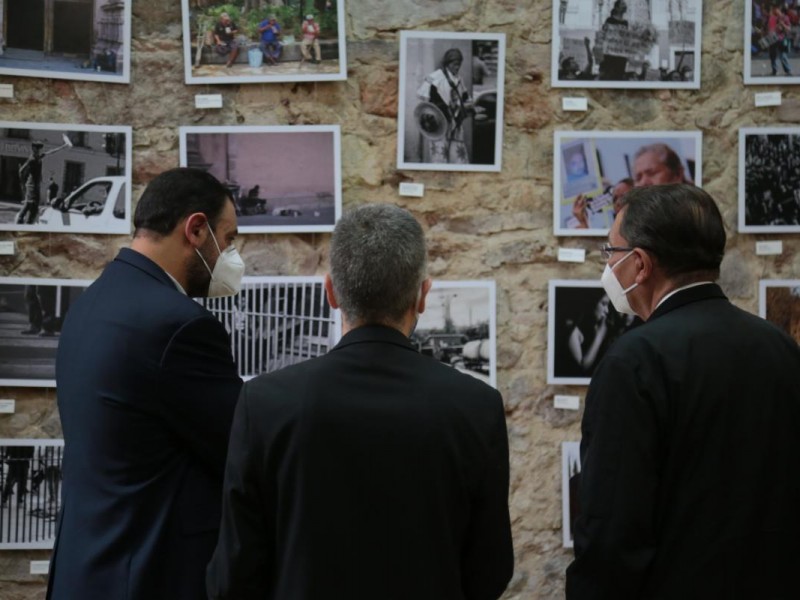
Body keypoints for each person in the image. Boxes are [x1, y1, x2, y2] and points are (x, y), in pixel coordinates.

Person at [207, 203, 514, 600]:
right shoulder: (477, 406)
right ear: (422, 296)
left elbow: (235, 572)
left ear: (331, 292)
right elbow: (490, 568)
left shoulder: (264, 403)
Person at [565, 184, 800, 598]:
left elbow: (612, 529)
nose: (607, 266)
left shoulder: (633, 362)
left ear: (639, 264)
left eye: (611, 253)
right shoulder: (780, 347)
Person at [46, 168, 245, 600]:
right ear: (195, 228)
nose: (230, 255)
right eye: (227, 239)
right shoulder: (181, 326)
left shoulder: (90, 304)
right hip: (146, 575)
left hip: (87, 570)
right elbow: (240, 448)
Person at [416, 48, 476, 164]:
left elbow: (464, 97)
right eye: (454, 64)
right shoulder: (435, 78)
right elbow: (426, 101)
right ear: (447, 63)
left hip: (455, 125)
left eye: (459, 65)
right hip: (439, 124)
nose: (457, 67)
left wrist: (467, 105)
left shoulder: (459, 79)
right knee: (439, 158)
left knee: (459, 158)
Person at [16, 141, 61, 224]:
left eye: (39, 148)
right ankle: (21, 220)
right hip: (31, 185)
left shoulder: (39, 157)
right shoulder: (32, 159)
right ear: (33, 148)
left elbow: (50, 152)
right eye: (37, 148)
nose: (39, 150)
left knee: (34, 204)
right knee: (30, 203)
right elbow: (21, 170)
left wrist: (61, 147)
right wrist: (23, 184)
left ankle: (26, 221)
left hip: (36, 185)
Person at [598, 1, 629, 80]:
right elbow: (604, 34)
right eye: (622, 4)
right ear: (617, 7)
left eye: (625, 4)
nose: (625, 6)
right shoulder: (609, 20)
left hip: (621, 55)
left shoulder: (626, 23)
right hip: (610, 55)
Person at [767, 4, 793, 76]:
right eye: (773, 9)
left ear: (779, 9)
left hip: (781, 38)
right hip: (772, 38)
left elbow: (789, 29)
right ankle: (774, 70)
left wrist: (782, 24)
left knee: (782, 55)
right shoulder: (771, 18)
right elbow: (770, 28)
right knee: (772, 55)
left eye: (775, 9)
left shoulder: (785, 18)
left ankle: (788, 70)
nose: (773, 10)